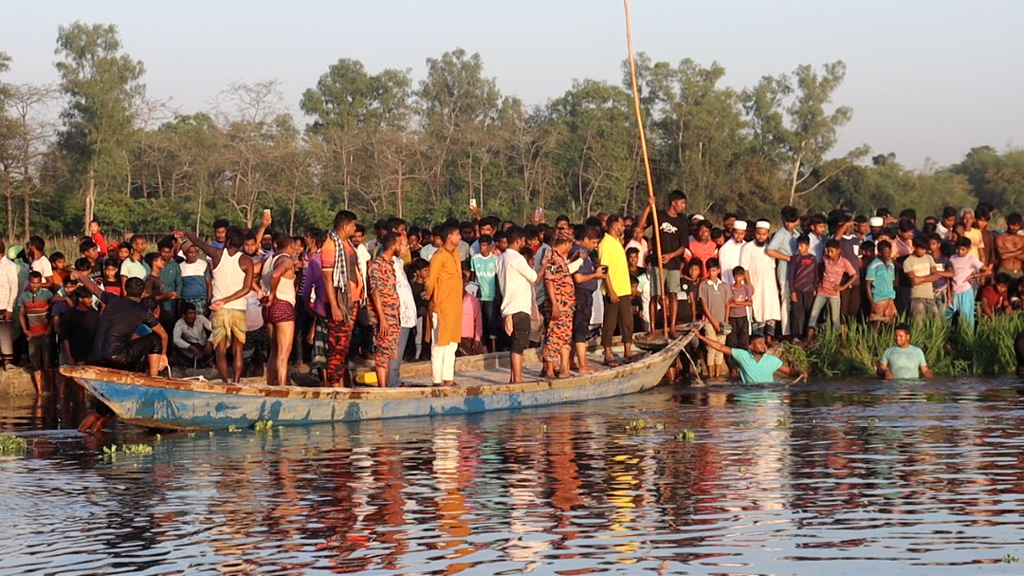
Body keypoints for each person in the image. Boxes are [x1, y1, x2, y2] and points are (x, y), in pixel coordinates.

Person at [177, 226, 254, 384]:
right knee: (238, 348)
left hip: (219, 309)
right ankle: (237, 381)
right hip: (238, 308)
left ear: (228, 240)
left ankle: (225, 381)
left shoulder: (218, 254)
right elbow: (246, 288)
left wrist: (186, 233)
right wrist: (228, 300)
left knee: (220, 348)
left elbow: (198, 242)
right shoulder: (246, 261)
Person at [320, 210, 363, 388]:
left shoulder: (346, 243)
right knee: (337, 346)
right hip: (340, 303)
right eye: (353, 224)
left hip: (351, 301)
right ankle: (334, 385)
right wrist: (336, 307)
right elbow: (327, 280)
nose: (355, 227)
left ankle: (340, 382)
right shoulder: (331, 246)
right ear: (345, 226)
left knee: (344, 345)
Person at [638, 191, 689, 337]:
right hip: (657, 263)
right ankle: (653, 330)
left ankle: (672, 328)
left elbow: (683, 247)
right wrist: (649, 206)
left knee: (673, 295)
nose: (683, 206)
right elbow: (641, 226)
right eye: (681, 203)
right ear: (673, 203)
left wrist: (670, 255)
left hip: (673, 263)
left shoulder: (682, 222)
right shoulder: (658, 215)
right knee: (655, 296)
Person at [425, 223, 463, 387]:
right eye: (457, 234)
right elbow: (430, 281)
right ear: (449, 237)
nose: (459, 237)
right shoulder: (438, 256)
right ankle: (436, 379)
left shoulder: (456, 254)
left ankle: (448, 377)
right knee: (439, 343)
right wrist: (429, 297)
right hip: (441, 306)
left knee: (452, 343)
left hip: (455, 306)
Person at [500, 227, 540, 383]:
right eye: (523, 240)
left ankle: (514, 377)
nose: (524, 243)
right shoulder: (517, 258)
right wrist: (543, 267)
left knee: (516, 343)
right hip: (519, 306)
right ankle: (518, 379)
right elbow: (534, 277)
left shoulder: (501, 258)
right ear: (517, 241)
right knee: (519, 345)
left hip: (509, 306)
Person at [696, 332, 806, 384]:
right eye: (759, 343)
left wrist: (800, 373)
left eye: (764, 343)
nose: (764, 345)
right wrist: (700, 336)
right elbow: (719, 347)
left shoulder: (772, 360)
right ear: (751, 346)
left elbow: (790, 371)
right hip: (748, 396)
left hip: (768, 396)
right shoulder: (743, 355)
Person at [598, 216, 635, 366]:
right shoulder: (605, 244)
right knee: (610, 323)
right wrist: (611, 291)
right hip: (612, 290)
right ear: (614, 226)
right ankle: (607, 353)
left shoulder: (617, 242)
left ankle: (628, 350)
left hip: (624, 288)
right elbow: (604, 269)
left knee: (627, 321)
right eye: (621, 225)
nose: (624, 227)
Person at [262, 233, 297, 386]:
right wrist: (273, 293)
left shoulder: (268, 260)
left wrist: (262, 291)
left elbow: (251, 273)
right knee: (284, 352)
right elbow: (276, 274)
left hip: (268, 308)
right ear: (291, 246)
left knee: (274, 351)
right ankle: (282, 387)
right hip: (282, 305)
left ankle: (270, 384)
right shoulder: (286, 260)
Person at [569, 225, 605, 374]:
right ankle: (582, 363)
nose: (595, 246)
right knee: (581, 328)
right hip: (581, 294)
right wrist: (595, 276)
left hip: (585, 294)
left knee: (578, 328)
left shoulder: (586, 254)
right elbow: (578, 278)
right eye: (594, 242)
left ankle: (571, 360)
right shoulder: (579, 253)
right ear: (585, 239)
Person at [368, 233, 402, 388]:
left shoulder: (389, 264)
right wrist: (382, 318)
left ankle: (386, 385)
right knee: (382, 352)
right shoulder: (377, 264)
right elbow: (375, 292)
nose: (401, 247)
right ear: (393, 246)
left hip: (393, 314)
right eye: (400, 244)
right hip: (384, 315)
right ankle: (382, 388)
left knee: (389, 352)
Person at [807, 240, 858, 340]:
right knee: (813, 315)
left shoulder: (844, 262)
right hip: (822, 292)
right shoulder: (825, 259)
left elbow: (854, 275)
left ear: (838, 251)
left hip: (834, 294)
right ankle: (808, 339)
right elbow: (820, 269)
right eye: (828, 251)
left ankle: (840, 341)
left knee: (835, 319)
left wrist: (843, 287)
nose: (829, 254)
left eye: (832, 251)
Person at [739, 220, 781, 337]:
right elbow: (745, 267)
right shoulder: (747, 247)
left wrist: (777, 285)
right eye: (758, 233)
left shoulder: (771, 248)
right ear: (754, 233)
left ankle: (769, 337)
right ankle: (759, 337)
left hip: (770, 285)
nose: (761, 236)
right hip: (755, 285)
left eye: (764, 234)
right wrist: (749, 284)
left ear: (768, 233)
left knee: (771, 310)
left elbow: (774, 267)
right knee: (759, 310)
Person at [542, 236, 575, 379]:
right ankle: (549, 369)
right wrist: (555, 304)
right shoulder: (552, 257)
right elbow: (549, 281)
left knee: (564, 337)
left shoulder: (560, 258)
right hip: (559, 305)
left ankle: (564, 369)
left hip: (566, 306)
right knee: (554, 336)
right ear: (567, 243)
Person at [766, 206, 801, 337]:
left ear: (797, 221)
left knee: (795, 302)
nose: (788, 224)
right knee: (785, 301)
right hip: (785, 271)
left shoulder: (797, 235)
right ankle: (786, 332)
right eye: (786, 221)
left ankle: (795, 330)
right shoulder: (781, 234)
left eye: (791, 222)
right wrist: (786, 257)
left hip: (796, 273)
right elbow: (770, 250)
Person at [18, 271, 53, 395]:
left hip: (46, 334)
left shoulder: (47, 295)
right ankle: (39, 392)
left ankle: (51, 389)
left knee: (48, 364)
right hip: (32, 335)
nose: (35, 286)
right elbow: (21, 314)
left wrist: (49, 329)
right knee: (36, 365)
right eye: (33, 283)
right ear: (29, 282)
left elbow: (54, 313)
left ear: (41, 283)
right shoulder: (23, 297)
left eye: (38, 283)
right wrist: (25, 330)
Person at [946, 237, 990, 329]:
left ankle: (967, 338)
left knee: (966, 317)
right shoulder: (952, 258)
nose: (960, 251)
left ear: (969, 249)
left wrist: (973, 276)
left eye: (963, 249)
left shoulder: (972, 259)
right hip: (954, 290)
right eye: (958, 249)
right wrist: (949, 294)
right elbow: (949, 277)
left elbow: (988, 271)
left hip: (965, 290)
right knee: (946, 315)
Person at [904, 236, 949, 323]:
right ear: (914, 247)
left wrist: (921, 279)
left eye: (925, 249)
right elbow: (914, 281)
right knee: (918, 323)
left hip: (930, 295)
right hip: (916, 296)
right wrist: (929, 277)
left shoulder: (928, 257)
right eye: (921, 249)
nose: (923, 252)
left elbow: (936, 276)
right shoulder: (908, 261)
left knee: (936, 322)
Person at [699, 259, 731, 379]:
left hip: (723, 322)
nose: (712, 273)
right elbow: (704, 306)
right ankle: (711, 375)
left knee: (720, 349)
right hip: (709, 322)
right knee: (711, 349)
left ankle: (717, 375)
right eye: (710, 271)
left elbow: (727, 304)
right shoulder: (704, 285)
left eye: (714, 270)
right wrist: (714, 323)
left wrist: (725, 321)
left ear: (718, 270)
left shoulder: (724, 285)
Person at [470, 235, 500, 353]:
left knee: (491, 320)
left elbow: (497, 278)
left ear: (490, 246)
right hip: (478, 295)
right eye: (480, 245)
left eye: (484, 245)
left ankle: (493, 346)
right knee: (479, 320)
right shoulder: (475, 259)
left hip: (490, 295)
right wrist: (472, 294)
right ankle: (481, 344)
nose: (482, 248)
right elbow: (473, 276)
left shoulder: (495, 260)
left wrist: (497, 294)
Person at [60, 286, 100, 366]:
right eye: (88, 298)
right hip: (76, 356)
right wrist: (69, 357)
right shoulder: (69, 315)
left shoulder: (95, 314)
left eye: (91, 298)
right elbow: (65, 338)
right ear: (80, 299)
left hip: (91, 356)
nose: (90, 300)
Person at [788, 235, 817, 341]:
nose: (799, 248)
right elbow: (791, 276)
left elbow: (815, 274)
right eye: (798, 245)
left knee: (808, 313)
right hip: (798, 289)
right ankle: (795, 336)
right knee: (796, 313)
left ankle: (806, 336)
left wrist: (815, 288)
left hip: (809, 289)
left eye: (802, 245)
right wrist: (792, 291)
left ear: (808, 246)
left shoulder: (813, 258)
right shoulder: (796, 259)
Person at [864, 240, 898, 327]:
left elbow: (892, 281)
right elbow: (868, 285)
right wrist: (872, 302)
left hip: (889, 298)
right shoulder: (873, 266)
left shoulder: (891, 264)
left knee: (890, 325)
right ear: (879, 252)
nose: (888, 255)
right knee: (876, 325)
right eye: (886, 252)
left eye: (889, 252)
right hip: (878, 299)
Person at [172, 302, 213, 367]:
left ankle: (208, 361)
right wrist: (191, 347)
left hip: (203, 344)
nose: (193, 316)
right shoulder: (179, 323)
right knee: (180, 349)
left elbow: (214, 329)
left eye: (194, 313)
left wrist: (209, 341)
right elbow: (176, 339)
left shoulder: (201, 318)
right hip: (190, 346)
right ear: (183, 315)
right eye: (190, 313)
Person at [0, 239, 18, 371]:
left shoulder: (9, 265)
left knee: (5, 333)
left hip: (4, 304)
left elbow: (14, 287)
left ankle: (7, 361)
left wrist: (10, 307)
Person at [180, 244, 211, 316]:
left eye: (195, 252)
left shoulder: (203, 264)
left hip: (201, 300)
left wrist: (208, 302)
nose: (193, 255)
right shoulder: (180, 266)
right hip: (187, 300)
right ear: (185, 253)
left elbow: (209, 285)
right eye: (190, 252)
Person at [728, 267, 752, 353]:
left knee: (743, 340)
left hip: (743, 316)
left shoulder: (746, 288)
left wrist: (737, 303)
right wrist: (742, 302)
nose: (738, 278)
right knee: (732, 340)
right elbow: (729, 304)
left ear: (743, 277)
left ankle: (744, 359)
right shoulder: (730, 288)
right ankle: (733, 363)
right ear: (734, 277)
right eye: (736, 276)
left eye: (740, 276)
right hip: (732, 317)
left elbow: (750, 303)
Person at [997, 213, 1024, 280]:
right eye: (1012, 225)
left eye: (1017, 225)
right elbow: (1002, 256)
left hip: (1018, 272)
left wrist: (1008, 251)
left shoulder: (1022, 239)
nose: (1014, 228)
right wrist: (1019, 251)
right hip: (1004, 271)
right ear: (1007, 223)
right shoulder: (1001, 238)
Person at [719, 221, 746, 287]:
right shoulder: (725, 248)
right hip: (730, 283)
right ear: (732, 232)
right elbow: (723, 269)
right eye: (736, 233)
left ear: (745, 233)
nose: (739, 236)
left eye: (741, 233)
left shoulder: (747, 246)